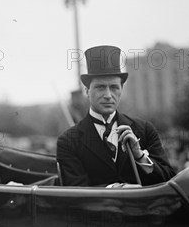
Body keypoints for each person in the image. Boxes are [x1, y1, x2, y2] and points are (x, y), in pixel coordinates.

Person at [57, 45, 176, 187]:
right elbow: (75, 192)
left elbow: (169, 181)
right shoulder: (69, 141)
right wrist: (116, 189)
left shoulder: (145, 130)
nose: (108, 95)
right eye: (100, 87)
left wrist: (140, 156)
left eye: (114, 87)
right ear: (87, 90)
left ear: (122, 89)